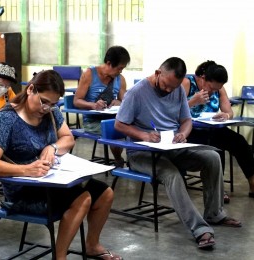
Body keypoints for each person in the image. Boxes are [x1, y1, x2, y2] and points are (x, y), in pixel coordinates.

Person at [0, 70, 121, 260]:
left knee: (105, 193)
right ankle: (60, 256)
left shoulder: (51, 112)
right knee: (83, 198)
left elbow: (68, 138)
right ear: (31, 89)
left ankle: (92, 245)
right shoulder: (7, 118)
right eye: (44, 102)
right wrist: (26, 170)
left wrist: (53, 147)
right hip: (24, 189)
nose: (47, 108)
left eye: (53, 104)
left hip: (49, 180)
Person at [115, 57, 241, 249]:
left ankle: (215, 213)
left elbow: (186, 120)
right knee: (171, 174)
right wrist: (143, 135)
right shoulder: (136, 93)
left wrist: (183, 133)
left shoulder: (177, 90)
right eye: (166, 85)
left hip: (171, 147)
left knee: (212, 157)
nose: (169, 91)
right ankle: (199, 228)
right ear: (158, 73)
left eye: (173, 88)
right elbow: (119, 124)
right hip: (142, 153)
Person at [183, 60, 254, 202]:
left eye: (217, 89)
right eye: (211, 87)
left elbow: (229, 111)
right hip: (190, 130)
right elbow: (172, 110)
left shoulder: (219, 87)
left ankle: (253, 183)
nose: (213, 91)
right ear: (203, 78)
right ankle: (218, 189)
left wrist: (226, 115)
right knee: (216, 149)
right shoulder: (187, 83)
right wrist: (192, 102)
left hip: (211, 128)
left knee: (239, 142)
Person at [74, 46, 130, 167]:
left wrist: (119, 102)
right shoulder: (89, 74)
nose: (120, 71)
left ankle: (135, 161)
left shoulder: (120, 79)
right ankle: (118, 160)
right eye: (119, 68)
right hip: (92, 122)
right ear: (109, 63)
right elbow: (77, 101)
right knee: (117, 129)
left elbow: (125, 103)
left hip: (113, 119)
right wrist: (93, 105)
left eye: (123, 69)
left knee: (134, 127)